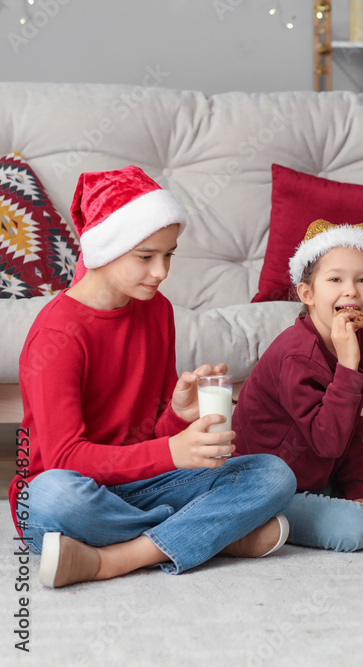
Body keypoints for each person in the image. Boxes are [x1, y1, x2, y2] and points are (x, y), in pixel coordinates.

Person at [12, 166, 296, 589]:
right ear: (106, 249)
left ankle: (116, 558)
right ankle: (210, 534)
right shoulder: (58, 334)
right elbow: (64, 459)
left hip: (140, 486)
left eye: (168, 254)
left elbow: (150, 439)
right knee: (53, 497)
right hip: (73, 489)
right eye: (146, 257)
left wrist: (179, 416)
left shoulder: (157, 310)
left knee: (274, 474)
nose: (161, 271)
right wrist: (173, 451)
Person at [233, 219, 363, 552]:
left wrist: (355, 492)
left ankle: (339, 498)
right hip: (274, 484)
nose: (350, 290)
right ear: (308, 294)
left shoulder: (358, 338)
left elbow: (350, 426)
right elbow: (329, 440)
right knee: (356, 528)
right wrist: (348, 365)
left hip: (324, 468)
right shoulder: (297, 355)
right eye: (335, 279)